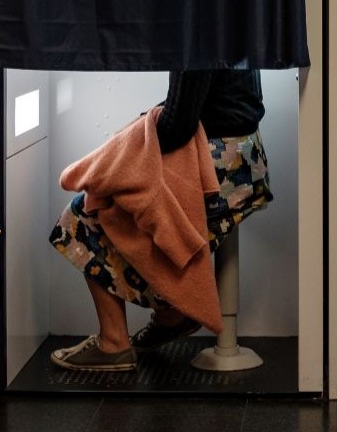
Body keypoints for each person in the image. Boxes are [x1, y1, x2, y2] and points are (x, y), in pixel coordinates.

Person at [49, 69, 273, 372]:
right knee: (136, 214)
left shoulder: (193, 38)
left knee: (85, 212)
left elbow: (178, 124)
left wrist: (127, 145)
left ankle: (114, 343)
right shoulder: (229, 35)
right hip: (246, 161)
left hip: (219, 165)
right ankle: (172, 316)